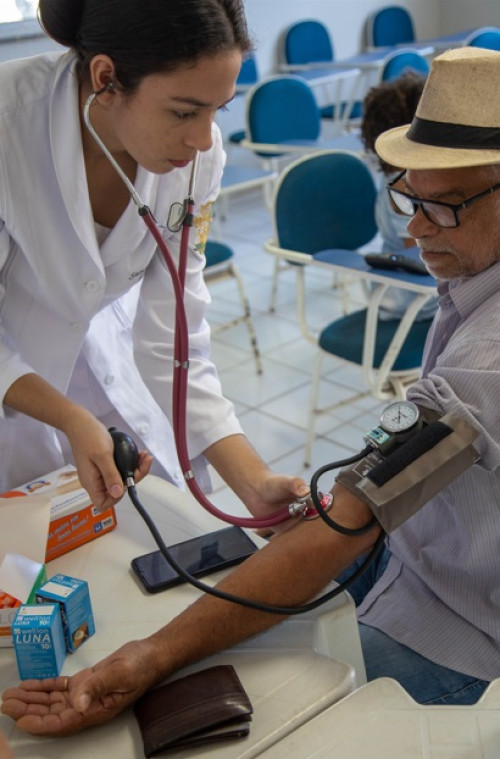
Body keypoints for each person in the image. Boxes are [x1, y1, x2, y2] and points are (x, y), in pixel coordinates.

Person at [3, 45, 500, 736]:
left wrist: (147, 658)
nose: (414, 228)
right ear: (106, 80)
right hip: (411, 551)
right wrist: (254, 476)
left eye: (443, 208)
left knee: (260, 712)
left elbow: (353, 515)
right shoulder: (474, 275)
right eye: (409, 198)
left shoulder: (487, 357)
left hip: (456, 621)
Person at [0, 0, 309, 518]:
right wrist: (69, 418)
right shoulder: (10, 126)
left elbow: (175, 337)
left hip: (107, 358)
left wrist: (254, 482)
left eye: (219, 109)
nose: (204, 138)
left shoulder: (197, 160)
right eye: (185, 112)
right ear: (106, 78)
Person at [361, 70, 438, 321]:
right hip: (409, 300)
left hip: (423, 290)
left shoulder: (413, 174)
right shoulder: (402, 187)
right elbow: (418, 253)